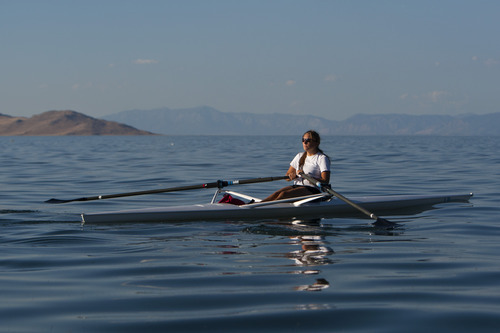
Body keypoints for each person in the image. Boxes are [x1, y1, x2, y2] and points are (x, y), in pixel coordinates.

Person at [261, 130, 330, 202]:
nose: (305, 142)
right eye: (303, 140)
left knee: (284, 194)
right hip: (297, 186)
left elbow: (325, 181)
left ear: (316, 143)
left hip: (312, 189)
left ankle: (268, 208)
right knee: (276, 194)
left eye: (308, 140)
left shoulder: (322, 158)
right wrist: (291, 176)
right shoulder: (299, 156)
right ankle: (259, 204)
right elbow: (287, 177)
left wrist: (309, 178)